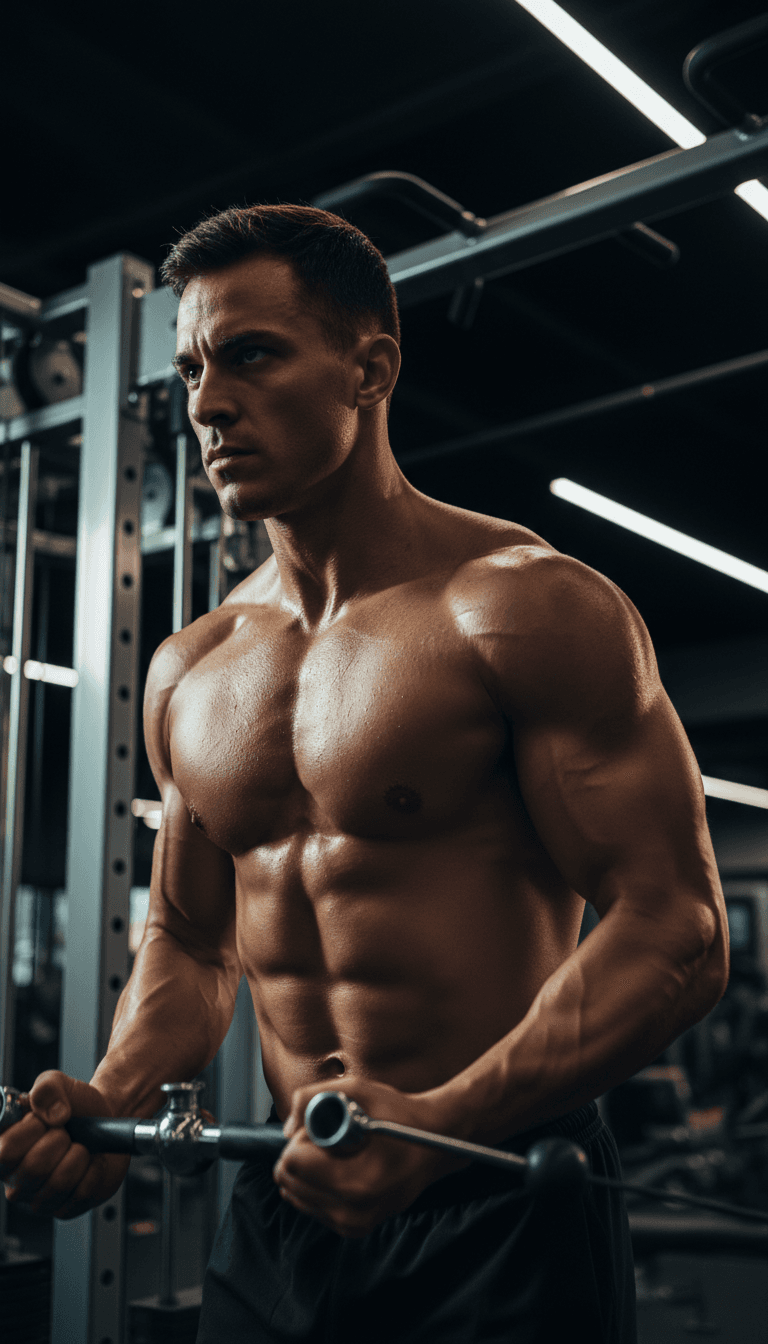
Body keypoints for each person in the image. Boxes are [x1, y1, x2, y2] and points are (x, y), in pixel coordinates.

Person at [0, 205, 728, 1343]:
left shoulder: (523, 608)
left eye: (249, 354)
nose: (205, 402)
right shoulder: (192, 666)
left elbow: (677, 925)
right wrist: (115, 1096)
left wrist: (442, 1118)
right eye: (190, 369)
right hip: (287, 1198)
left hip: (493, 1192)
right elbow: (194, 943)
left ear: (369, 368)